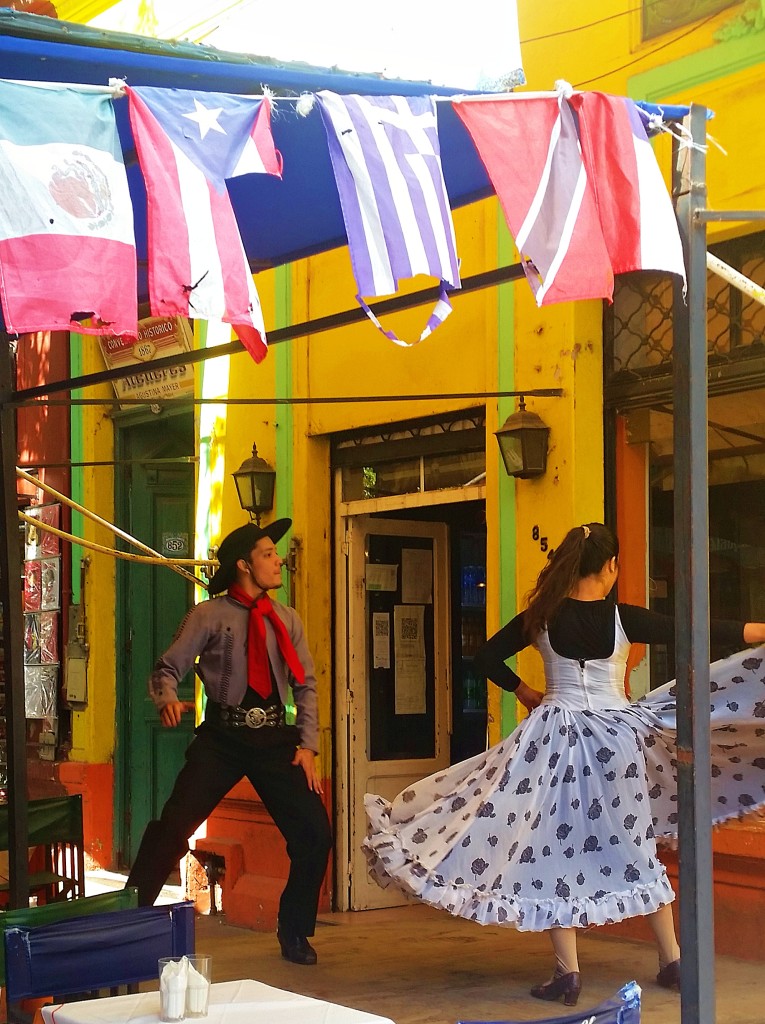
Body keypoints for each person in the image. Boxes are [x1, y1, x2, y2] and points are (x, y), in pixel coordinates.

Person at [363, 522, 765, 1006]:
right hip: (617, 737)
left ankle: (568, 974)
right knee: (634, 843)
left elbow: (486, 655)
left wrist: (527, 693)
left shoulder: (542, 617)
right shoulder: (625, 618)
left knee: (554, 848)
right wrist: (758, 630)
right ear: (612, 566)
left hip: (553, 738)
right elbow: (701, 630)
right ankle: (673, 960)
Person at [126, 519, 332, 966]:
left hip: (277, 738)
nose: (279, 560)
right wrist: (167, 699)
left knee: (316, 834)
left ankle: (293, 930)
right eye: (267, 553)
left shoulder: (286, 619)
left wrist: (308, 745)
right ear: (244, 564)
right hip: (222, 737)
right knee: (173, 826)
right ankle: (126, 922)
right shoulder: (208, 614)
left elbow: (307, 686)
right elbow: (166, 668)